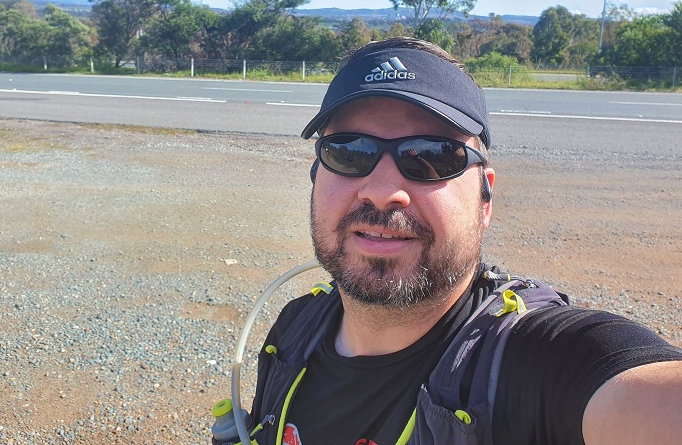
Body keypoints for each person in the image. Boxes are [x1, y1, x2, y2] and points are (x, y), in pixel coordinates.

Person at [243, 37, 682, 445]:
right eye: (349, 152)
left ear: (484, 199)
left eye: (432, 157)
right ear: (317, 177)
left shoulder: (532, 361)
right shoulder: (296, 327)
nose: (381, 190)